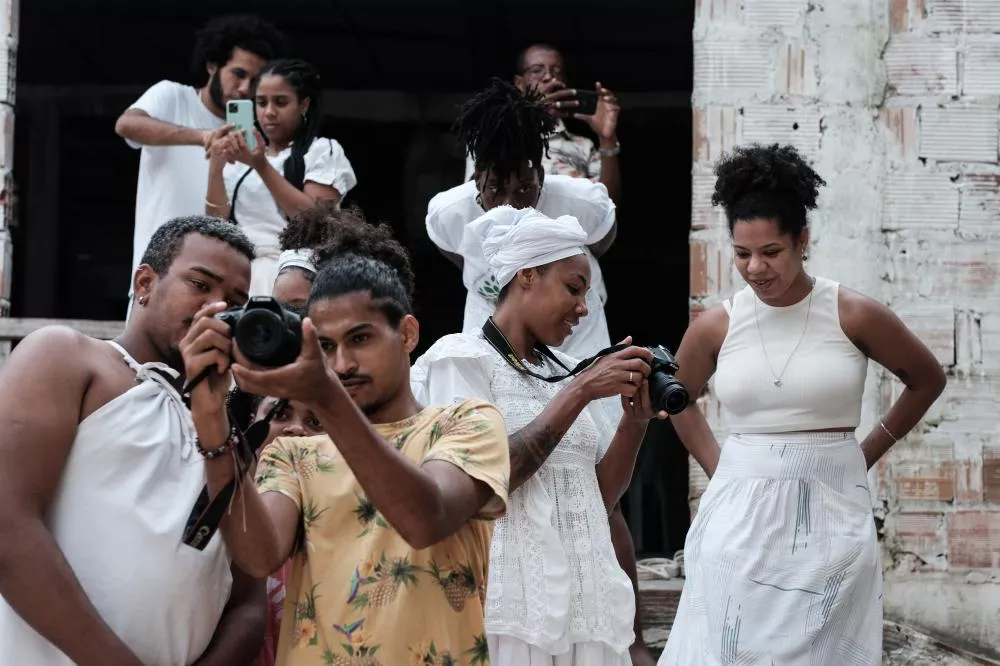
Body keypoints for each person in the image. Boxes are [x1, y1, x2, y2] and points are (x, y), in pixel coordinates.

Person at [659, 144, 947, 665]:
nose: (755, 267)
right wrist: (720, 469)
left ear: (803, 240)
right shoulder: (716, 326)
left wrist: (866, 451)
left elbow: (926, 379)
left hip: (834, 510)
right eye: (742, 253)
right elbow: (675, 398)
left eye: (771, 251)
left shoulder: (853, 313)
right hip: (738, 520)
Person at [180, 217, 512, 664]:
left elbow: (424, 519)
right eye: (327, 346)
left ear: (408, 334)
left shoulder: (466, 423)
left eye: (361, 338)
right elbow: (258, 556)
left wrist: (324, 394)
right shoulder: (292, 451)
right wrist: (210, 417)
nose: (343, 363)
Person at [429, 77, 656, 664]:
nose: (508, 199)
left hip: (567, 355)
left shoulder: (578, 203)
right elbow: (485, 480)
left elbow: (597, 490)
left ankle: (626, 636)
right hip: (504, 349)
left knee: (584, 494)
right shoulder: (459, 354)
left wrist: (631, 417)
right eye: (493, 187)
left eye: (524, 184)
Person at [0, 216, 265, 666]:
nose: (217, 310)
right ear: (145, 282)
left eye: (235, 302)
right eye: (200, 285)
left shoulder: (227, 437)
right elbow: (6, 522)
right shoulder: (66, 357)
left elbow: (248, 602)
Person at [115, 14, 286, 313]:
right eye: (238, 74)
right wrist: (203, 137)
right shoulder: (173, 96)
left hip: (218, 296)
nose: (245, 88)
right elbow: (127, 125)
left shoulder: (256, 138)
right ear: (212, 65)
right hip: (155, 282)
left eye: (255, 80)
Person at [206, 58, 357, 295]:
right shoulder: (244, 159)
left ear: (304, 105)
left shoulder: (322, 150)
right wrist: (216, 167)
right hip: (240, 273)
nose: (269, 112)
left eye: (280, 102)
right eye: (261, 102)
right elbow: (216, 223)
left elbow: (315, 221)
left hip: (294, 273)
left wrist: (261, 165)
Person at [462, 43, 622, 202]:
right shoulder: (489, 136)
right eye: (537, 71)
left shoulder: (583, 146)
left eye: (557, 72)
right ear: (519, 83)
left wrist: (607, 139)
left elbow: (606, 206)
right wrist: (530, 116)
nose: (548, 77)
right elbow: (474, 197)